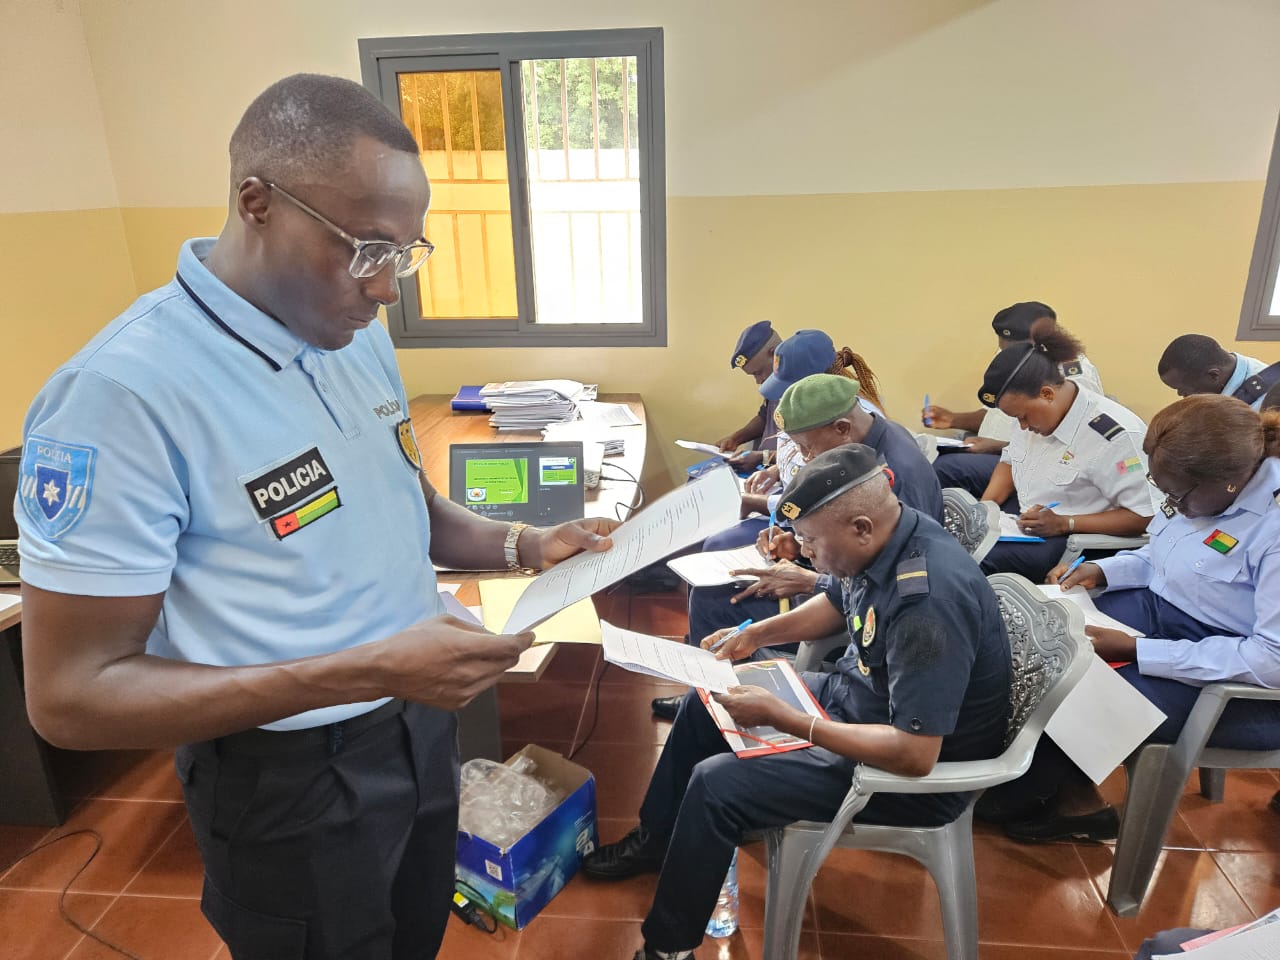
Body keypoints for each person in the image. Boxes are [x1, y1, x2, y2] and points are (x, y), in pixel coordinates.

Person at [13, 74, 617, 960]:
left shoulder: (353, 337)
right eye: (366, 249)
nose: (386, 292)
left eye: (405, 254)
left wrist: (523, 542)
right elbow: (70, 699)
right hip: (286, 779)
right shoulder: (121, 396)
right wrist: (361, 669)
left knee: (410, 937)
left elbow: (408, 509)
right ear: (257, 201)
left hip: (414, 730)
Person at [589, 444, 1012, 960]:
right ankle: (658, 840)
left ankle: (665, 949)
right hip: (862, 704)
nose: (803, 552)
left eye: (810, 540)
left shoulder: (927, 602)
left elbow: (915, 754)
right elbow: (839, 599)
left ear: (860, 527)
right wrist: (755, 634)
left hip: (904, 773)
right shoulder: (890, 532)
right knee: (710, 698)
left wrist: (787, 720)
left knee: (717, 784)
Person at [983, 395, 1280, 843]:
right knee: (1038, 637)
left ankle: (1053, 799)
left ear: (1230, 483)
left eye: (1178, 495)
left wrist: (1139, 650)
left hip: (1236, 685)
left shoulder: (1272, 527)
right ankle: (1042, 782)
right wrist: (1104, 569)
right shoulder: (1198, 492)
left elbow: (1270, 659)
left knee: (1073, 689)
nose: (1171, 504)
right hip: (1162, 615)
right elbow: (1161, 554)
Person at [652, 374, 942, 719]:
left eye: (807, 447)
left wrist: (808, 578)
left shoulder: (896, 476)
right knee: (721, 582)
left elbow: (887, 587)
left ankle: (710, 705)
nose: (805, 459)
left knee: (717, 598)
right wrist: (801, 542)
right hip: (838, 585)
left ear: (841, 428)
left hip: (860, 622)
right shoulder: (871, 443)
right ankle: (706, 701)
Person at [974, 329, 1153, 583]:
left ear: (1047, 394)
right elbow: (1009, 460)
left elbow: (1144, 515)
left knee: (976, 563)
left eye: (1023, 416)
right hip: (1027, 521)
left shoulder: (1115, 436)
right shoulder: (1030, 412)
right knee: (955, 543)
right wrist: (984, 511)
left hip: (1073, 537)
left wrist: (1064, 523)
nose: (1022, 426)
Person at [924, 301, 1104, 500]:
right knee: (925, 457)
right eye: (1003, 350)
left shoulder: (1073, 374)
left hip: (1035, 464)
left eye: (1013, 350)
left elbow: (1071, 444)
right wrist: (952, 419)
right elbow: (996, 413)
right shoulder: (1015, 356)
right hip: (999, 454)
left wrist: (996, 445)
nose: (1006, 356)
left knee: (945, 469)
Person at [714, 320, 784, 474]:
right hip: (763, 467)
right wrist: (736, 439)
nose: (758, 381)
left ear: (775, 353)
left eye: (758, 372)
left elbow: (804, 457)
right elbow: (765, 417)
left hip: (782, 473)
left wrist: (760, 458)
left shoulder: (805, 389)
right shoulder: (775, 384)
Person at [1157, 333, 1279, 411]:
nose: (1180, 394)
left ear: (1213, 375)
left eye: (1184, 388)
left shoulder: (1268, 403)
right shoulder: (1221, 376)